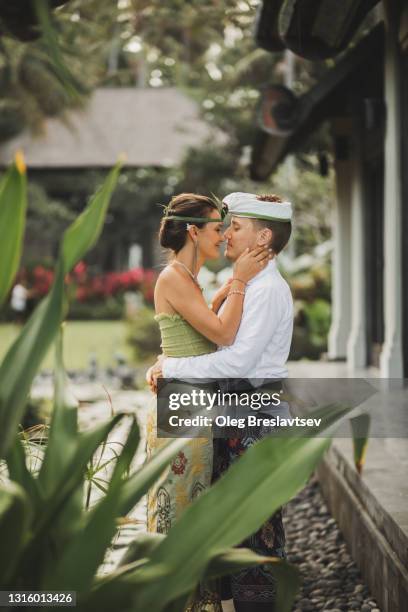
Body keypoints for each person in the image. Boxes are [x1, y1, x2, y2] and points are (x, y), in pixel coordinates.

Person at [148, 192, 294, 612]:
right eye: (222, 226)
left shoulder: (264, 289)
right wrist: (166, 360)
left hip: (254, 418)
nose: (227, 233)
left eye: (236, 227)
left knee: (256, 536)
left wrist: (171, 367)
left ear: (263, 236)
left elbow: (239, 357)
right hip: (231, 415)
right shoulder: (244, 284)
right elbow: (208, 341)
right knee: (232, 535)